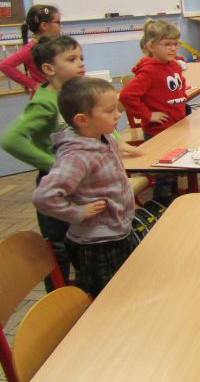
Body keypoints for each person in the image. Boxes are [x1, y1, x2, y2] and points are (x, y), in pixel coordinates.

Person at [33, 77, 135, 298]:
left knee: (125, 288)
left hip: (117, 231)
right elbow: (44, 196)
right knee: (106, 297)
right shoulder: (76, 156)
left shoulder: (104, 137)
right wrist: (77, 212)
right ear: (82, 120)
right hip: (97, 243)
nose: (118, 115)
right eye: (109, 111)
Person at [1, 36, 84, 287]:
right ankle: (59, 297)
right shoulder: (45, 102)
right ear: (49, 69)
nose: (81, 63)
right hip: (55, 182)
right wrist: (53, 164)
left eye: (81, 58)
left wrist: (119, 143)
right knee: (59, 249)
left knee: (81, 242)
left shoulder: (75, 93)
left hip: (79, 179)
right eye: (72, 59)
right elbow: (11, 139)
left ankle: (85, 294)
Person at [119, 20, 188, 205]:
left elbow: (178, 84)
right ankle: (161, 203)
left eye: (176, 44)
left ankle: (174, 199)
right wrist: (148, 115)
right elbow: (127, 96)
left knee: (174, 167)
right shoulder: (149, 71)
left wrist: (181, 94)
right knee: (164, 172)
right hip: (159, 130)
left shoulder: (173, 65)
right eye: (167, 44)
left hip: (176, 126)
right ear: (151, 46)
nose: (173, 48)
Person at [0, 4, 62, 94]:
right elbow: (5, 65)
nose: (61, 26)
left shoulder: (56, 44)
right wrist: (34, 85)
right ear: (44, 25)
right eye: (58, 22)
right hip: (45, 96)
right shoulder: (31, 49)